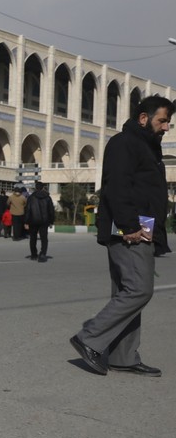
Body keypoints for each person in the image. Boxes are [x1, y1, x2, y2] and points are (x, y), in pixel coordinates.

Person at [70, 95, 174, 377]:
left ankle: (123, 356)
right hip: (130, 229)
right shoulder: (124, 143)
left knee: (126, 290)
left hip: (143, 227)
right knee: (139, 289)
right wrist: (129, 227)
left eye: (169, 122)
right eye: (163, 120)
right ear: (144, 118)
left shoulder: (147, 147)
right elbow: (116, 186)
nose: (167, 127)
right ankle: (89, 338)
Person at [24, 181, 55, 262]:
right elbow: (51, 210)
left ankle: (34, 255)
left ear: (35, 188)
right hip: (44, 221)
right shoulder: (48, 197)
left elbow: (28, 210)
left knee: (33, 238)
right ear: (42, 188)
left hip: (33, 221)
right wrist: (51, 221)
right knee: (44, 238)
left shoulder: (31, 198)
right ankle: (42, 254)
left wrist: (26, 222)